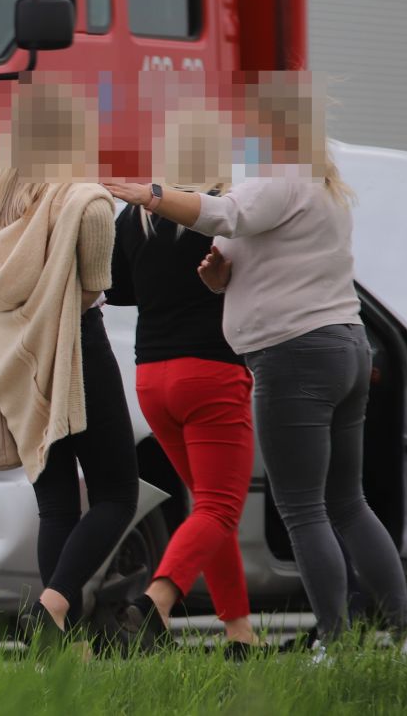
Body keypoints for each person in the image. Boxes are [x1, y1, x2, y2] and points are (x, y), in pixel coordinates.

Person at [105, 73, 407, 658]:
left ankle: (333, 641)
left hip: (292, 356)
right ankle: (405, 635)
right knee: (346, 503)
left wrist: (152, 194)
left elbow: (222, 214)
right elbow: (240, 249)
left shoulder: (281, 178)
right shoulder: (325, 186)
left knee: (300, 508)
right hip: (345, 345)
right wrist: (217, 276)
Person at [0, 78, 139, 639]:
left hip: (15, 365)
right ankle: (54, 605)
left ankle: (67, 643)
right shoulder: (87, 202)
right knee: (115, 495)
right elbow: (94, 286)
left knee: (57, 506)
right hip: (77, 349)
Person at [107, 109, 257, 656]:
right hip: (211, 373)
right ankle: (155, 603)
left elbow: (118, 290)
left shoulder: (136, 217)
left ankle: (239, 631)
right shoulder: (222, 213)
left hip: (152, 377)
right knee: (220, 508)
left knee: (206, 509)